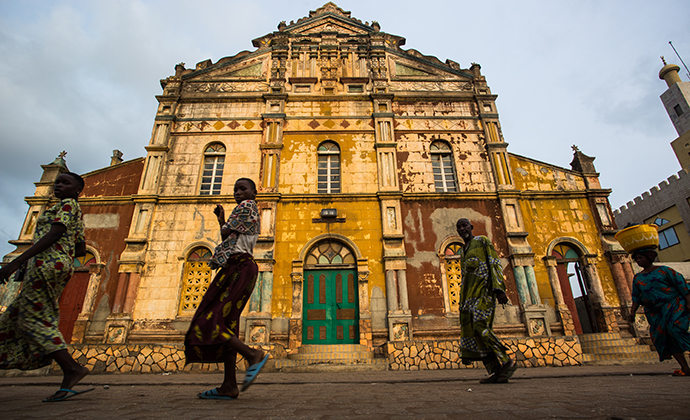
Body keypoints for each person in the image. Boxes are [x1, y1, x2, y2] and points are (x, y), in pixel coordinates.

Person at [0, 172, 93, 402]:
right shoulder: (75, 212)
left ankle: (71, 368)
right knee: (13, 318)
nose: (58, 186)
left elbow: (56, 232)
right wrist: (63, 253)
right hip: (56, 266)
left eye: (65, 183)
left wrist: (19, 260)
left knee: (33, 319)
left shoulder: (68, 207)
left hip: (45, 266)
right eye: (57, 182)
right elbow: (80, 249)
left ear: (77, 190)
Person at [184, 178, 268, 400]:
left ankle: (252, 354)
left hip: (239, 267)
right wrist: (221, 219)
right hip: (240, 267)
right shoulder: (244, 212)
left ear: (254, 192)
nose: (237, 193)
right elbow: (227, 234)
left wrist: (223, 220)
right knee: (227, 325)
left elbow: (225, 233)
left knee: (209, 321)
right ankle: (229, 385)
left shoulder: (246, 207)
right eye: (235, 189)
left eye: (243, 189)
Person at [455, 218, 517, 383]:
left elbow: (494, 263)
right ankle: (496, 371)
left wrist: (499, 289)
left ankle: (506, 360)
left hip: (485, 293)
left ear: (471, 227)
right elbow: (464, 277)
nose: (462, 229)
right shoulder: (463, 251)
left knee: (481, 326)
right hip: (469, 298)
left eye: (464, 225)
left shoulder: (482, 241)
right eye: (459, 227)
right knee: (475, 332)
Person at [629, 249, 690, 376]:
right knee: (665, 336)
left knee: (675, 330)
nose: (639, 261)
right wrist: (632, 313)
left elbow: (682, 285)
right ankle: (685, 368)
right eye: (637, 259)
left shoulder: (664, 271)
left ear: (649, 258)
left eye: (641, 258)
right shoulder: (638, 278)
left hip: (673, 305)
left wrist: (689, 302)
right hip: (654, 311)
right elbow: (636, 297)